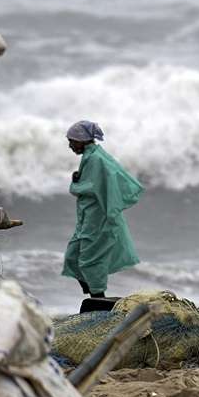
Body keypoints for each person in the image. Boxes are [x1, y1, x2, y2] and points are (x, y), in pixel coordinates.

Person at [61, 120, 143, 297]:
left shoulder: (96, 159)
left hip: (97, 220)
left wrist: (75, 184)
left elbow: (89, 187)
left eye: (72, 141)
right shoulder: (92, 156)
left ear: (83, 140)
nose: (70, 146)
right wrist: (79, 179)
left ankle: (98, 298)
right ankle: (93, 292)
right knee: (73, 257)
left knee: (91, 261)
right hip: (87, 219)